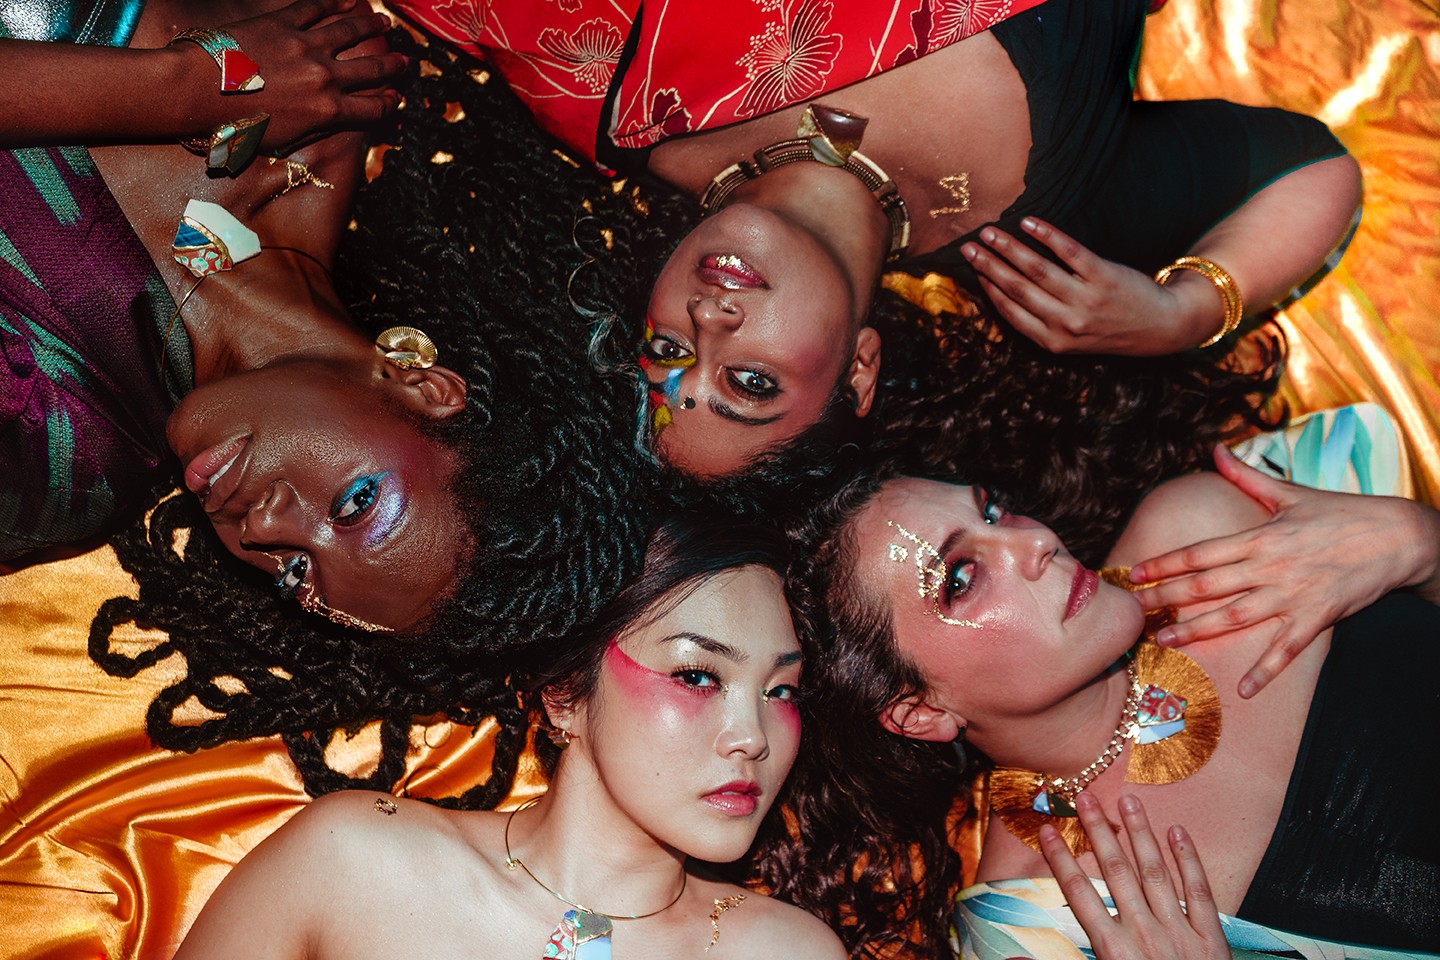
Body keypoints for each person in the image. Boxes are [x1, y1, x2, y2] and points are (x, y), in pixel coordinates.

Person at [2, 0, 655, 801]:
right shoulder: (339, 80)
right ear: (425, 386)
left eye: (294, 574)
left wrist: (185, 89)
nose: (264, 528)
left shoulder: (57, 457)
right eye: (353, 504)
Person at [387, 0, 1361, 480]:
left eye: (671, 349)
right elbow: (1315, 171)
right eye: (749, 384)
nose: (713, 323)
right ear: (856, 371)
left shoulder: (599, 92)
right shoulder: (1037, 232)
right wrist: (1181, 313)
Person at [771, 447, 1440, 958]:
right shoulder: (1035, 925)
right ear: (920, 711)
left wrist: (1422, 543)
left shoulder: (1200, 534)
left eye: (994, 511)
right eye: (962, 578)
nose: (1037, 542)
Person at [172, 517, 846, 959]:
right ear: (564, 695)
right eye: (698, 675)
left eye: (780, 691)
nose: (751, 737)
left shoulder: (789, 953)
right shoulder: (357, 863)